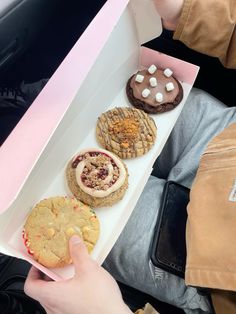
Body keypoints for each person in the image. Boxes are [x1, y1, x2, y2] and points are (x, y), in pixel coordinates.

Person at [24, 0, 236, 313]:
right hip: (225, 140)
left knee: (53, 190)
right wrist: (192, 11)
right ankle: (31, 102)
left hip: (203, 267)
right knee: (96, 110)